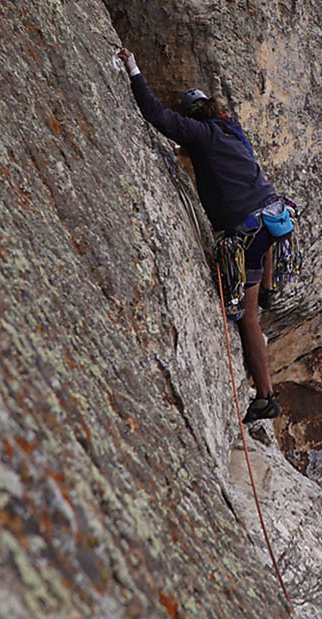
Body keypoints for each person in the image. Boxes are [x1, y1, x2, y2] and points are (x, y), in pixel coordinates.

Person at [120, 50, 283, 423]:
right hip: (272, 215)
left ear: (193, 117)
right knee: (263, 242)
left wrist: (134, 71)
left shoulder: (202, 134)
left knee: (249, 320)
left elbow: (156, 115)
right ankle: (269, 288)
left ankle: (265, 396)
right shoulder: (232, 130)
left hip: (248, 228)